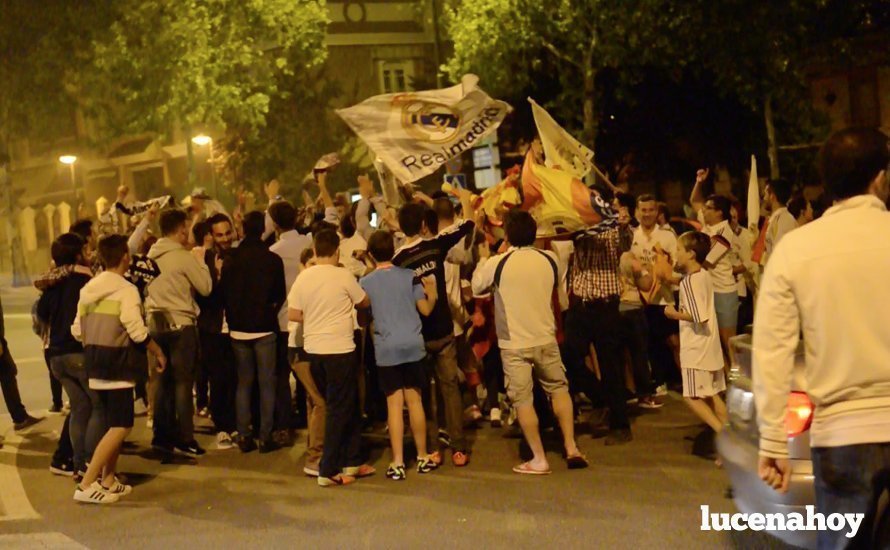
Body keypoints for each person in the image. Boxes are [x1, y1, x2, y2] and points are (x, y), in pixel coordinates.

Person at [754, 128, 890, 549]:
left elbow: (772, 349)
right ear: (881, 178)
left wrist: (774, 439)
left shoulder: (796, 249)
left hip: (841, 435)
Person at [473, 210, 589, 474]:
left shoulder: (498, 263)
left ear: (508, 234)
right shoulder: (550, 258)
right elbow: (558, 293)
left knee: (523, 400)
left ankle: (539, 458)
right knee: (559, 389)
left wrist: (483, 256)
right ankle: (571, 447)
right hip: (546, 337)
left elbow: (478, 286)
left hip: (514, 344)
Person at [71, 234, 167, 504]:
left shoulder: (88, 289)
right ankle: (87, 483)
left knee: (112, 424)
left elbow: (77, 329)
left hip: (94, 363)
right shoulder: (126, 289)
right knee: (121, 426)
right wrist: (158, 351)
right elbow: (136, 331)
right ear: (125, 256)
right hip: (120, 364)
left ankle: (108, 479)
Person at [392, 193, 476, 467]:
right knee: (450, 388)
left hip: (417, 334)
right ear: (424, 224)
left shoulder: (399, 260)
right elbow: (467, 225)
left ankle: (432, 448)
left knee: (422, 393)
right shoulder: (435, 247)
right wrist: (464, 199)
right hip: (443, 330)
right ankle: (459, 448)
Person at [288, 229, 374, 487]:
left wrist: (314, 317)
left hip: (313, 351)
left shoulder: (304, 278)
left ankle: (351, 461)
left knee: (335, 406)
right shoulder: (343, 275)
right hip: (340, 349)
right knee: (340, 408)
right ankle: (328, 469)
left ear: (314, 250)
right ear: (337, 251)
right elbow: (364, 300)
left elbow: (293, 313)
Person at [360, 230, 439, 480]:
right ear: (393, 250)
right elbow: (425, 310)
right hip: (413, 345)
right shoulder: (410, 277)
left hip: (387, 348)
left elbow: (363, 318)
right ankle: (423, 456)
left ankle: (397, 461)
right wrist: (433, 292)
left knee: (394, 406)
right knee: (415, 401)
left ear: (371, 255)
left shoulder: (366, 282)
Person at [144, 208, 212, 458]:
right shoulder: (184, 257)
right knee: (183, 384)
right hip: (181, 325)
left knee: (161, 384)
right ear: (181, 229)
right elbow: (205, 288)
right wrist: (202, 262)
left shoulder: (149, 255)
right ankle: (185, 437)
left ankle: (161, 437)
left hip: (155, 324)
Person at [222, 211, 287, 453]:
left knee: (244, 383)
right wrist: (268, 311)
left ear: (242, 228)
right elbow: (280, 294)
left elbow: (224, 291)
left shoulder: (231, 258)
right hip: (264, 328)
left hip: (238, 329)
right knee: (267, 383)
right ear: (262, 230)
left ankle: (244, 434)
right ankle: (266, 435)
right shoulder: (272, 260)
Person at [37, 233, 99, 478]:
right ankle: (91, 466)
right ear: (77, 255)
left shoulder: (53, 282)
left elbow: (41, 313)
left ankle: (76, 463)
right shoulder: (84, 280)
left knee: (80, 407)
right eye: (85, 250)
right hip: (77, 352)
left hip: (56, 357)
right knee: (98, 407)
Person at [664, 232, 727, 441]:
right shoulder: (705, 276)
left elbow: (698, 316)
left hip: (696, 348)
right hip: (710, 345)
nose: (676, 254)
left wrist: (673, 313)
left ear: (691, 254)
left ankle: (726, 438)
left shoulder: (689, 282)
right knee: (713, 396)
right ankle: (732, 443)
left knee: (691, 397)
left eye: (680, 250)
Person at [269, 201, 312, 441]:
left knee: (282, 376)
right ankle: (311, 417)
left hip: (284, 319)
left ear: (275, 224)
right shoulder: (308, 243)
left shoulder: (274, 251)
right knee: (309, 375)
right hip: (310, 318)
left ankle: (284, 423)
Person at [631, 194, 680, 396]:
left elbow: (677, 265)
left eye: (651, 210)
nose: (647, 214)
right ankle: (660, 381)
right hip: (641, 300)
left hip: (664, 297)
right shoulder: (632, 236)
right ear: (637, 212)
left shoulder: (667, 236)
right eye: (643, 210)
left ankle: (685, 378)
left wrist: (669, 279)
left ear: (657, 212)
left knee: (674, 342)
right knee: (650, 343)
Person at [196, 213, 237, 449]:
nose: (225, 239)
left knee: (234, 377)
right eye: (219, 234)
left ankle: (234, 423)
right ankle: (222, 426)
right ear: (211, 236)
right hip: (211, 327)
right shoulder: (203, 260)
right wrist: (218, 276)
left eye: (227, 233)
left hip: (234, 326)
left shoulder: (238, 256)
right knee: (218, 378)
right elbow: (205, 295)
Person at [696, 194, 744, 371]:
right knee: (714, 340)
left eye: (708, 208)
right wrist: (699, 182)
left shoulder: (724, 232)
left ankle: (738, 378)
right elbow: (695, 201)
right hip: (710, 291)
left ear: (718, 212)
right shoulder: (708, 227)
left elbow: (708, 261)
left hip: (724, 292)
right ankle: (725, 380)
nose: (704, 210)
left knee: (728, 341)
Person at [759, 177, 797, 267]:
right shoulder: (773, 219)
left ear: (772, 196)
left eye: (765, 194)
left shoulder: (784, 219)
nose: (764, 199)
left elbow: (780, 254)